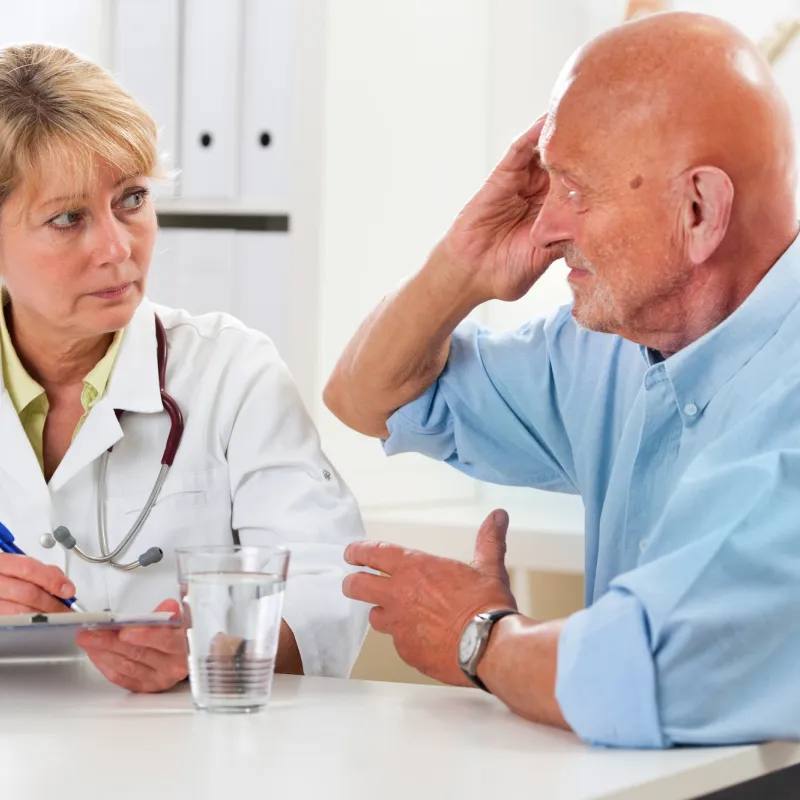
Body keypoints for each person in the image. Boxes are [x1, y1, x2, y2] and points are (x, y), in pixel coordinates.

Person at [324, 11, 800, 748]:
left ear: (699, 210)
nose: (546, 226)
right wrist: (462, 263)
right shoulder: (612, 346)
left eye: (574, 190)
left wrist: (478, 637)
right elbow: (366, 396)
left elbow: (646, 667)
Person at [0, 43, 368, 693]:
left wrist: (223, 646)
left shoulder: (232, 373)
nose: (117, 249)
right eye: (67, 218)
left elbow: (328, 591)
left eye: (132, 200)